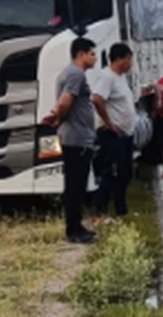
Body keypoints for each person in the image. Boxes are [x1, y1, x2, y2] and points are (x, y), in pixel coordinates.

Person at [42, 37, 98, 244]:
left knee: (75, 184)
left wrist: (56, 116)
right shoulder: (76, 74)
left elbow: (62, 102)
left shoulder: (68, 73)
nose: (95, 58)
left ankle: (76, 225)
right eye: (92, 54)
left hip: (74, 137)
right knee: (76, 185)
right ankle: (73, 230)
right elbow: (66, 101)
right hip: (77, 139)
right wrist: (59, 117)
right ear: (81, 54)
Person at [92, 43, 137, 222]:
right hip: (112, 134)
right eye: (128, 59)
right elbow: (97, 99)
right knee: (111, 171)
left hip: (125, 134)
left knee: (125, 172)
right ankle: (101, 210)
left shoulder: (120, 77)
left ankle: (121, 208)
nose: (130, 64)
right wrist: (109, 123)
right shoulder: (107, 77)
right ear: (119, 59)